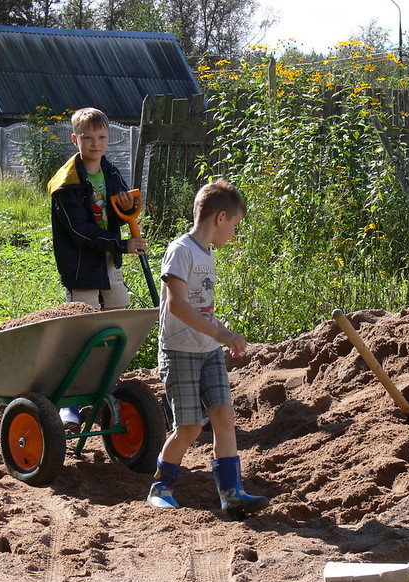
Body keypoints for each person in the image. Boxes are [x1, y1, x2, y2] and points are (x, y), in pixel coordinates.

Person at [147, 179, 269, 518]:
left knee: (224, 417)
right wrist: (222, 332)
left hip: (209, 350)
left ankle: (232, 493)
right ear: (220, 217)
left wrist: (219, 334)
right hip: (180, 351)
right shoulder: (181, 250)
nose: (234, 232)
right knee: (189, 428)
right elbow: (177, 304)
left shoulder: (207, 253)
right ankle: (161, 487)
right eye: (235, 224)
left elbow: (202, 307)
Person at [46, 107, 146, 427]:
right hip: (81, 266)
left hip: (108, 261)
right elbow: (79, 231)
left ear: (108, 139)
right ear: (75, 139)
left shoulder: (110, 171)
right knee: (83, 331)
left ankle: (106, 384)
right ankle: (69, 401)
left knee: (117, 319)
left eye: (101, 137)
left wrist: (128, 208)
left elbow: (122, 208)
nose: (95, 143)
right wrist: (122, 244)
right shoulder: (66, 183)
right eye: (88, 138)